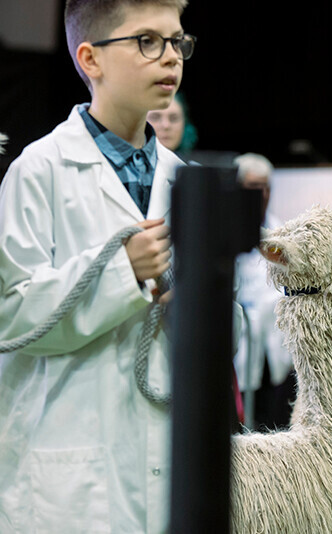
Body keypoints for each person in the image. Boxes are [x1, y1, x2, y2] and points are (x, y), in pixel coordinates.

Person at [0, 1, 194, 531]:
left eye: (177, 41)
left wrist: (197, 307)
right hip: (68, 470)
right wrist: (122, 273)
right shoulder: (38, 171)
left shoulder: (187, 181)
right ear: (91, 59)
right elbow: (10, 316)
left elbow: (228, 336)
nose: (171, 58)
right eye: (148, 41)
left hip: (167, 459)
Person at [231, 152, 295, 431]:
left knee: (273, 422)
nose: (260, 194)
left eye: (265, 187)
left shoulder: (281, 231)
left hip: (273, 348)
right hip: (237, 348)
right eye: (252, 187)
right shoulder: (223, 229)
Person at [146, 91, 198, 161]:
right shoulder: (129, 170)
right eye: (155, 118)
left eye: (174, 118)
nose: (166, 125)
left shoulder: (195, 170)